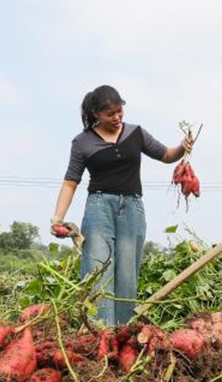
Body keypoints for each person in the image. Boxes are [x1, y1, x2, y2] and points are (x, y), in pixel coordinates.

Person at [50, 85, 192, 325]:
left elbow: (166, 155)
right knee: (97, 271)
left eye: (119, 111)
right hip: (99, 208)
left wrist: (182, 147)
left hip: (132, 208)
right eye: (110, 114)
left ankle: (122, 335)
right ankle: (98, 333)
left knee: (127, 274)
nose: (116, 118)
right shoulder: (82, 142)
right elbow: (71, 182)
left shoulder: (135, 133)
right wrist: (57, 218)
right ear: (96, 114)